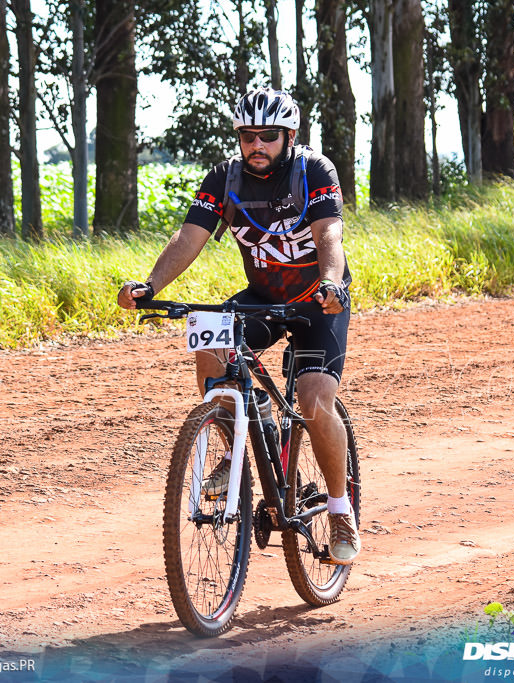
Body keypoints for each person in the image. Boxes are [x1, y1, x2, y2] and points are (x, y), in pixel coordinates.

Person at [116, 87, 360, 565]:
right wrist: (150, 285)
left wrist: (332, 285)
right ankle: (238, 447)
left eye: (268, 136)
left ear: (289, 136)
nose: (256, 145)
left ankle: (339, 509)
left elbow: (330, 234)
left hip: (318, 302)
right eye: (247, 136)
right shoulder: (224, 179)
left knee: (312, 400)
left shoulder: (314, 171)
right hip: (265, 300)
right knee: (208, 341)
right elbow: (189, 237)